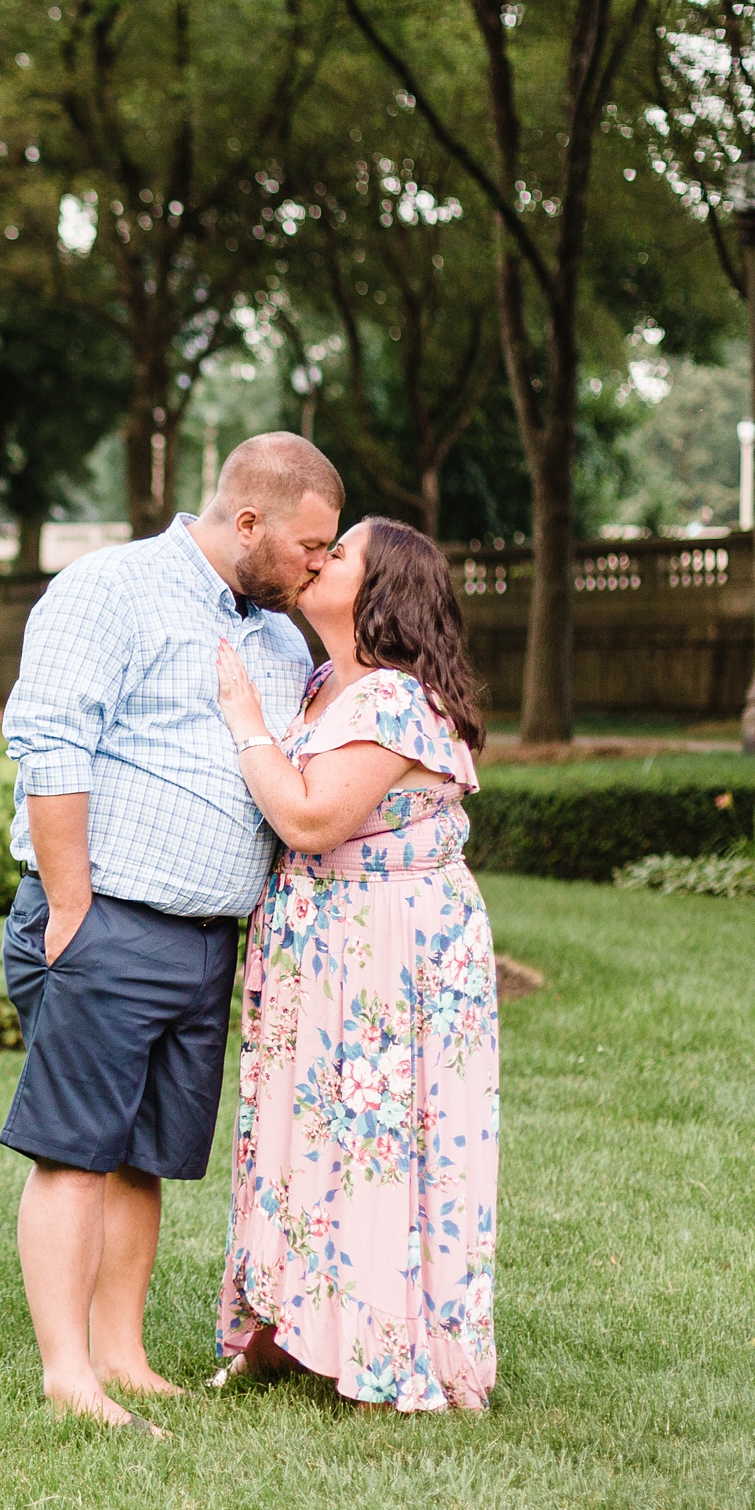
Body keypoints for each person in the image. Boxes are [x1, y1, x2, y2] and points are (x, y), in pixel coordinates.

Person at [0, 433, 345, 1434]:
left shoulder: (277, 635)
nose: (318, 565)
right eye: (308, 545)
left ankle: (123, 1352)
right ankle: (68, 1371)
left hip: (203, 939)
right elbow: (49, 741)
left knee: (143, 1155)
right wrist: (70, 907)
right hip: (106, 915)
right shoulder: (109, 588)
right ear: (248, 523)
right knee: (74, 1148)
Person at [208, 516, 500, 1413]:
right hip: (323, 943)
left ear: (378, 591)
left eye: (339, 554)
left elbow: (309, 820)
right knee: (306, 1131)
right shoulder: (328, 681)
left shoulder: (397, 701)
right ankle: (292, 1329)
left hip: (391, 950)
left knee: (379, 1139)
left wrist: (244, 721)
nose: (317, 557)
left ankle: (382, 1343)